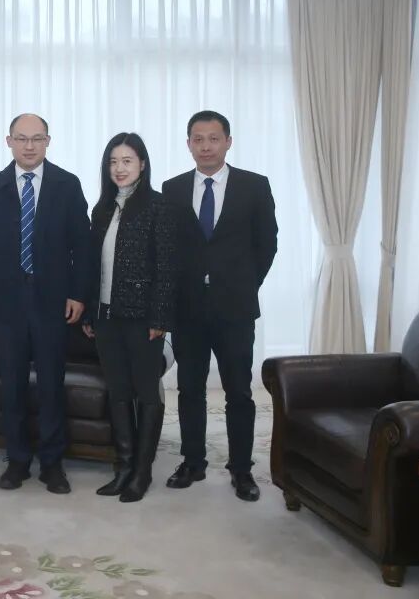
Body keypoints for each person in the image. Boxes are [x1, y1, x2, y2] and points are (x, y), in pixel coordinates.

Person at [161, 110, 278, 502]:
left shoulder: (254, 186)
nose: (206, 146)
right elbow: (169, 249)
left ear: (228, 142)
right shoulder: (173, 189)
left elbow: (267, 243)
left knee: (239, 392)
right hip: (188, 308)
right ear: (188, 144)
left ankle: (242, 469)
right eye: (198, 139)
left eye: (213, 138)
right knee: (190, 389)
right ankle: (192, 462)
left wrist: (243, 284)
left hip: (235, 308)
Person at [0, 113, 90, 494]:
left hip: (53, 302)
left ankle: (53, 464)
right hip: (7, 303)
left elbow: (82, 245)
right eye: (21, 138)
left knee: (52, 384)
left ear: (48, 141)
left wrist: (78, 294)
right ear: (9, 141)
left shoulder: (67, 185)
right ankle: (17, 461)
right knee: (12, 386)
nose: (29, 146)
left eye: (37, 138)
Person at [83, 132, 176, 503]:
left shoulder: (158, 206)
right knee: (118, 391)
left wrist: (160, 318)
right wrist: (91, 310)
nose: (119, 168)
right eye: (113, 162)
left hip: (143, 318)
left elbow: (167, 267)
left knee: (146, 392)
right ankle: (123, 467)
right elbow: (93, 266)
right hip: (106, 316)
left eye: (127, 161)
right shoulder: (102, 209)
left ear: (142, 164)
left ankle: (142, 471)